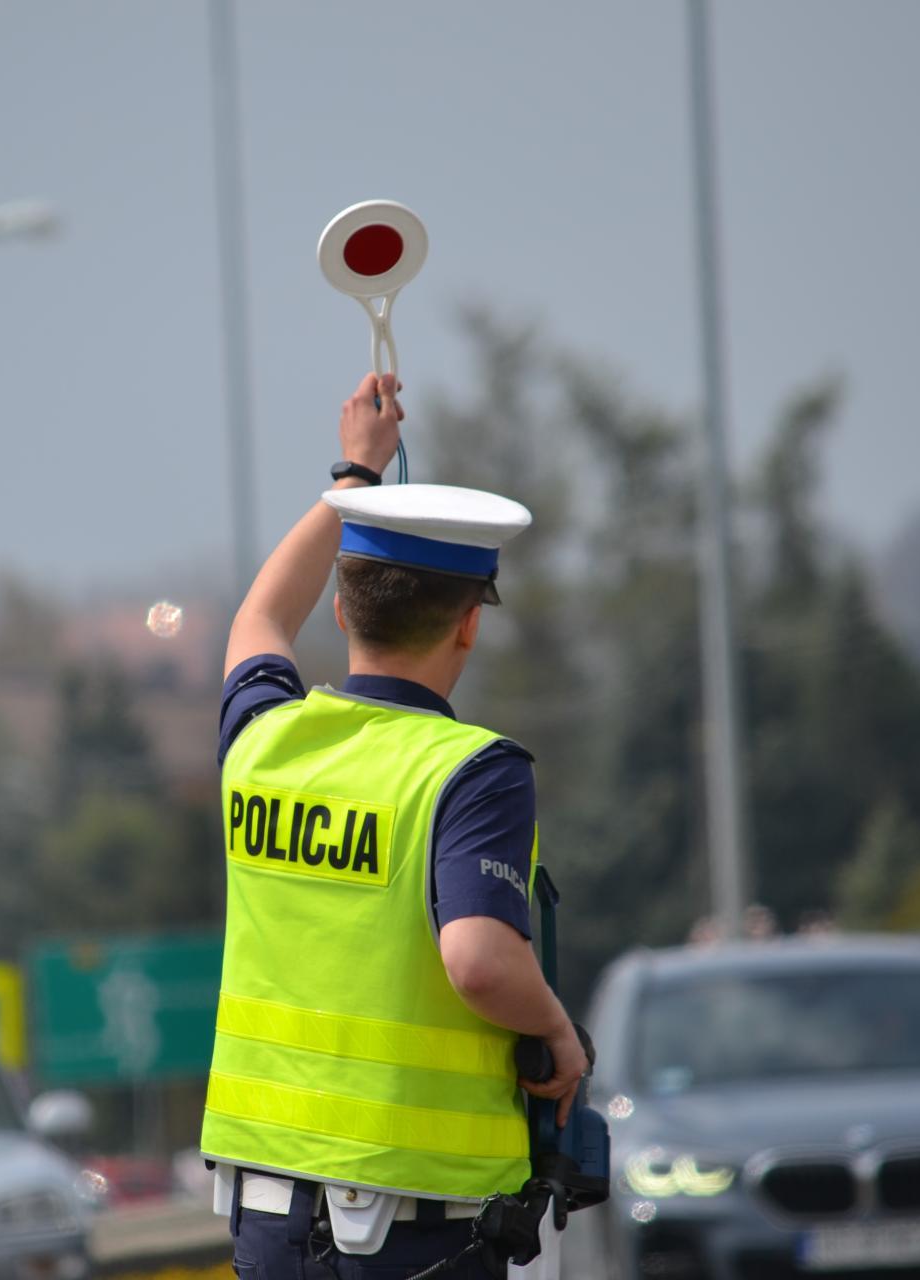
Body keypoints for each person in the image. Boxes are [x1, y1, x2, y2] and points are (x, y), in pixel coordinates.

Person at [200, 372, 588, 1280]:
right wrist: (560, 1033)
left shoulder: (262, 742)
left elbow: (259, 615)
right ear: (468, 629)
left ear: (341, 609)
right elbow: (480, 962)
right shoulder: (472, 773)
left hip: (269, 1218)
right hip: (418, 1231)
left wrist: (355, 478)